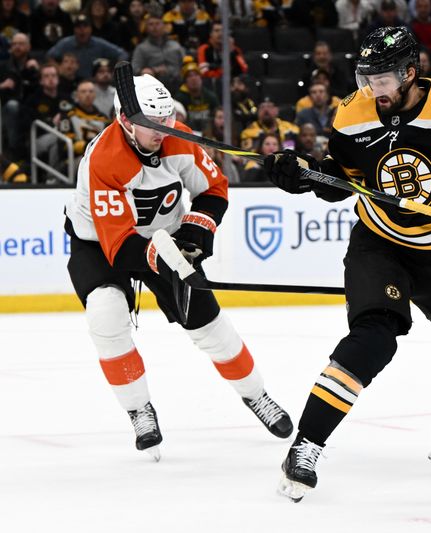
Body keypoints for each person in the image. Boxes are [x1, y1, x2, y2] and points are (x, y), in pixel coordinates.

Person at [263, 27, 431, 502]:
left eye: (382, 80)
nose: (372, 91)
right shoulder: (353, 111)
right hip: (379, 244)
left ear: (410, 73)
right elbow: (343, 179)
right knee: (373, 339)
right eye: (366, 79)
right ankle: (305, 447)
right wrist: (304, 174)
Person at [63, 74, 292, 461]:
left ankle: (257, 395)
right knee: (106, 316)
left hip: (166, 237)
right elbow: (118, 245)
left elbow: (213, 190)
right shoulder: (103, 159)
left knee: (210, 326)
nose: (163, 131)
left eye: (168, 120)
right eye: (154, 124)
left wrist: (193, 234)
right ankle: (138, 408)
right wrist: (165, 258)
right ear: (126, 120)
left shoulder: (178, 138)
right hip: (99, 245)